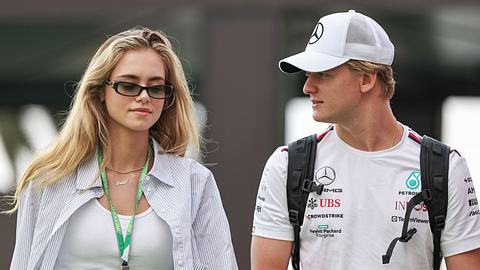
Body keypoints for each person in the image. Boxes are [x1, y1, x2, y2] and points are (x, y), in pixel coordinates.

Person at [251, 10, 480, 270]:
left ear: (367, 79)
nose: (308, 87)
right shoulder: (286, 165)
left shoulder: (446, 167)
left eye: (323, 74)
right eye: (307, 75)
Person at [8, 27, 238, 270]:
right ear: (99, 93)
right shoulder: (49, 180)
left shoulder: (194, 182)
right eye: (129, 85)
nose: (144, 96)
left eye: (156, 87)